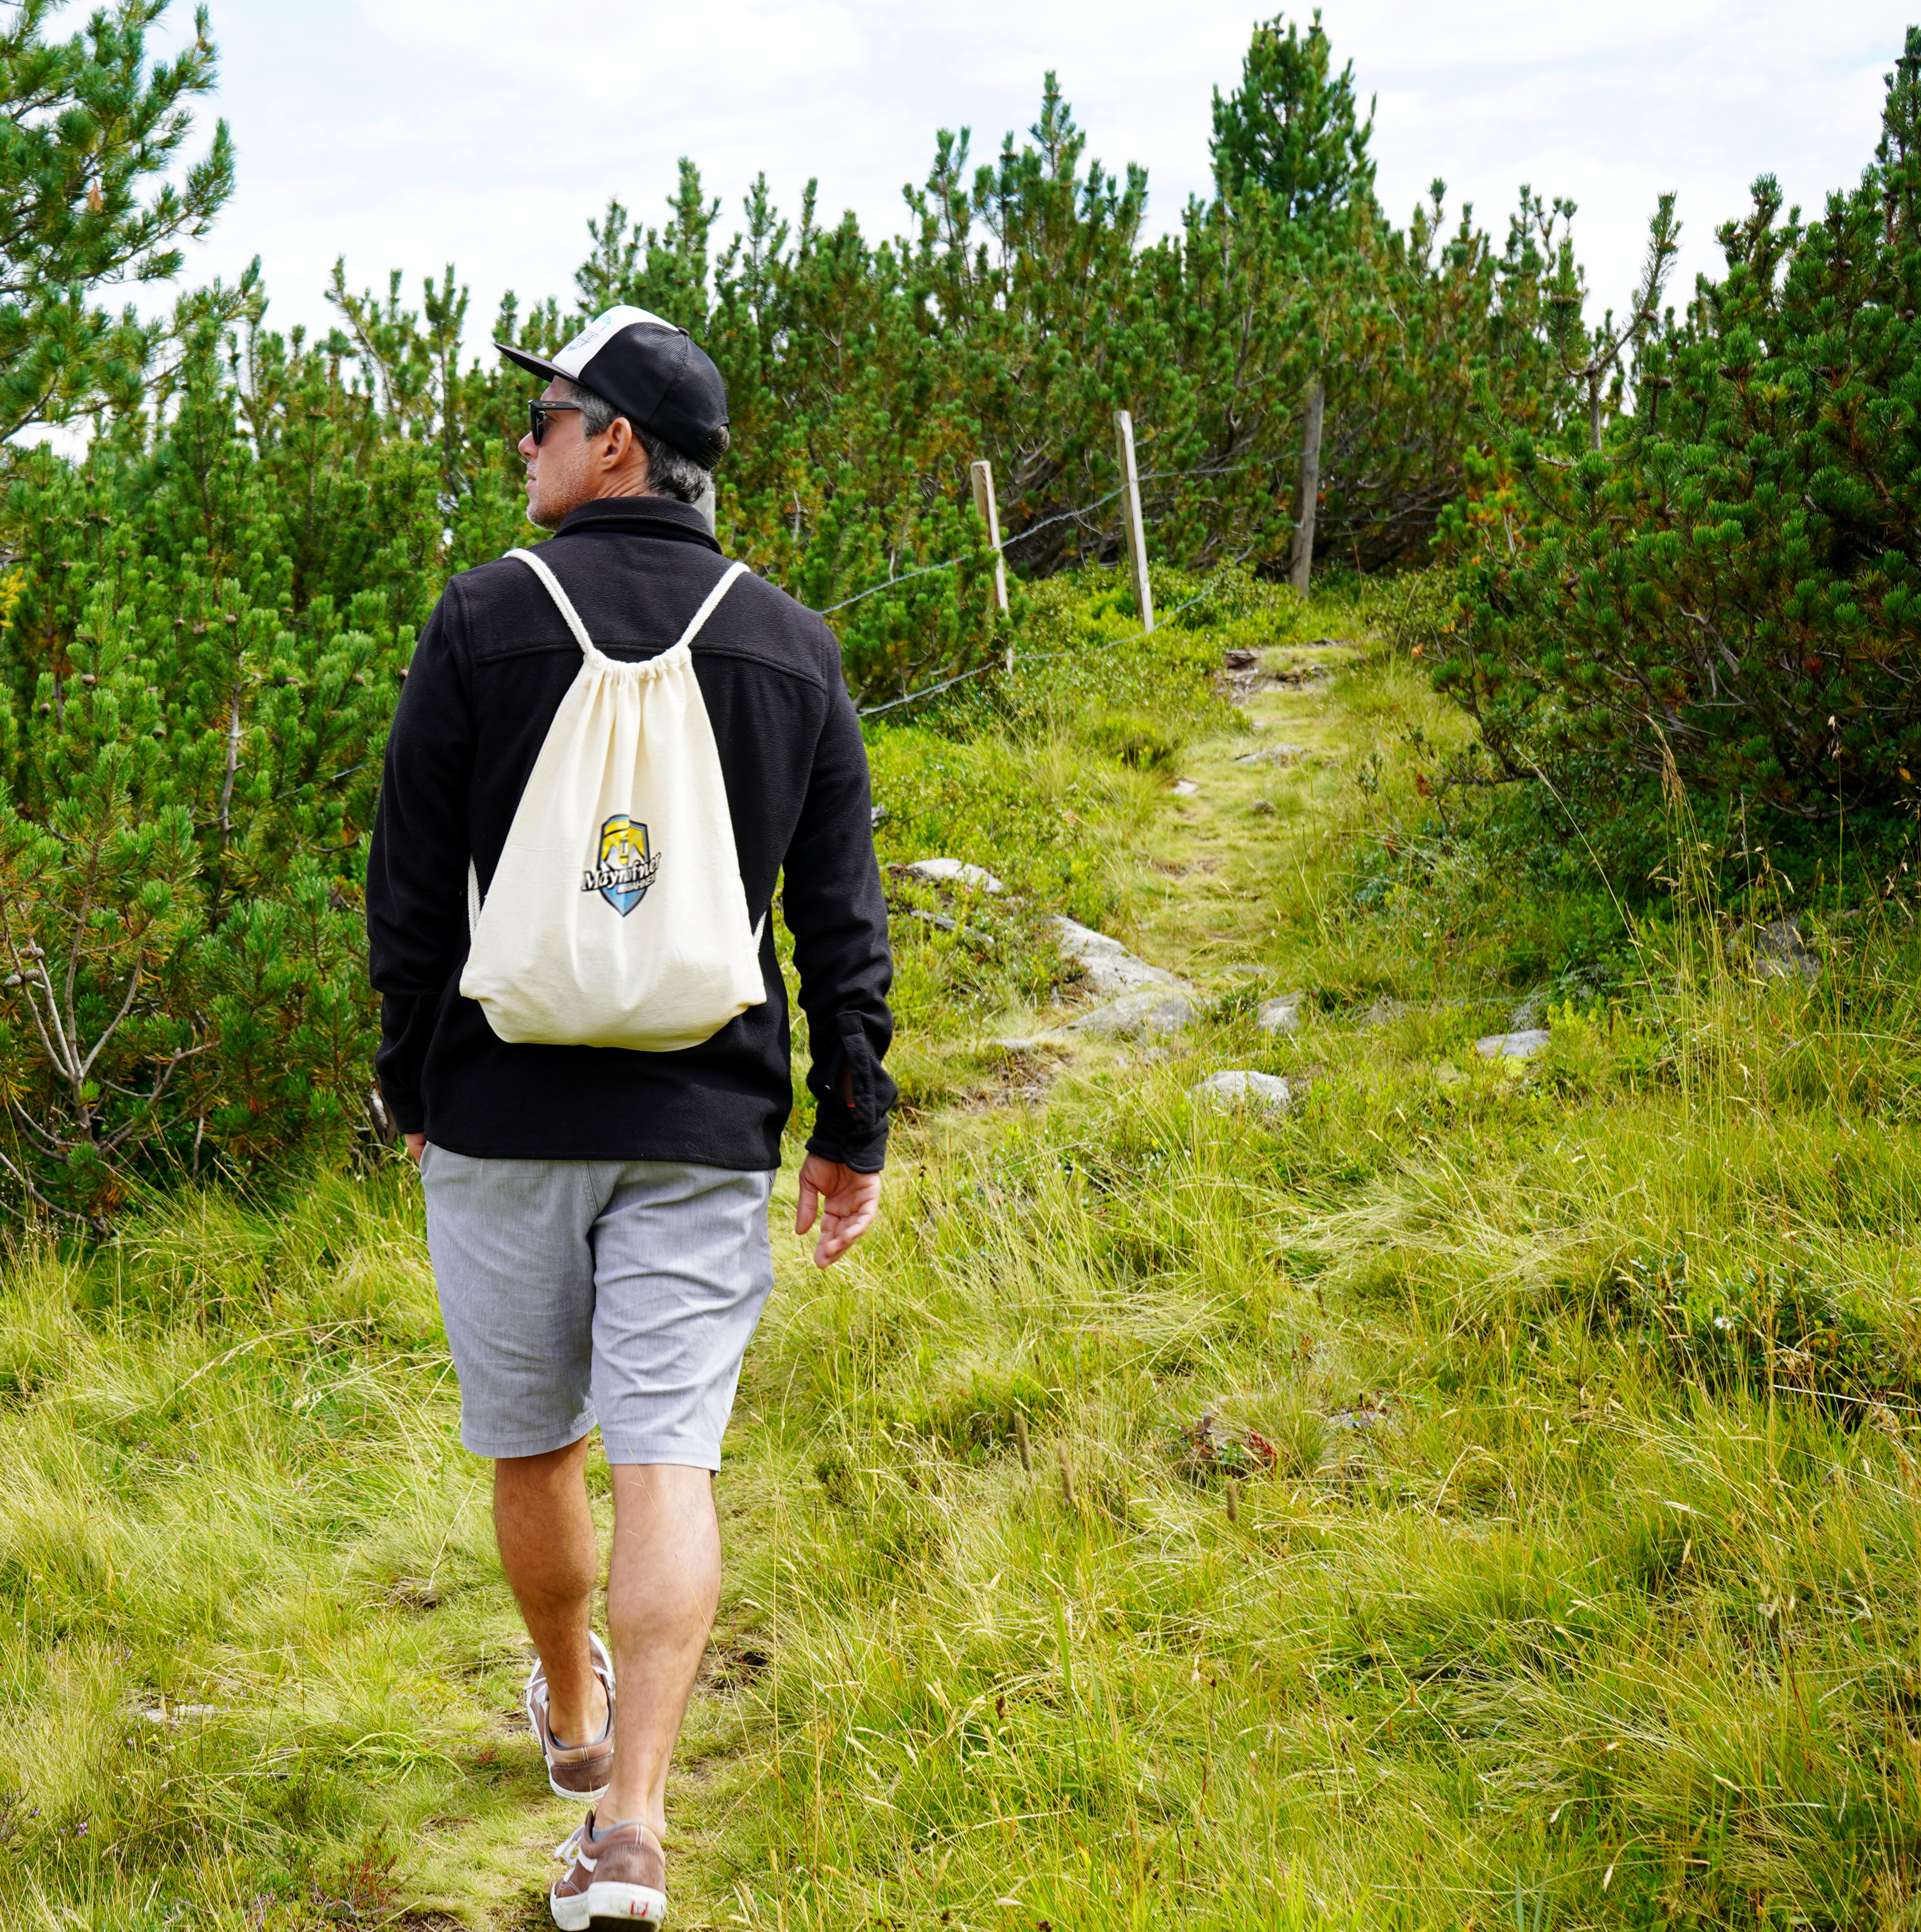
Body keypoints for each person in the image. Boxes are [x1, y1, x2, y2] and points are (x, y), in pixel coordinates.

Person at [367, 304, 895, 1929]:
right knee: (670, 1458)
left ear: (618, 447)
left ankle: (575, 1720)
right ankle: (637, 1835)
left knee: (536, 1442)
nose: (523, 442)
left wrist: (412, 1082)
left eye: (546, 419)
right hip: (703, 1112)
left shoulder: (480, 622)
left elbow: (408, 888)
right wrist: (849, 1122)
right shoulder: (787, 646)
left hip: (503, 1107)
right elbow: (837, 915)